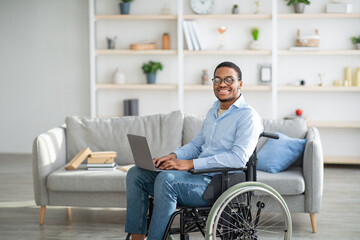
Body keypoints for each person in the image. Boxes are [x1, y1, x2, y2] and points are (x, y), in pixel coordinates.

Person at [125, 61, 263, 240]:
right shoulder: (214, 111)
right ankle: (138, 237)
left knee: (167, 180)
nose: (222, 84)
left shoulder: (248, 116)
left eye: (229, 80)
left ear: (240, 84)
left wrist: (190, 163)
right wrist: (173, 156)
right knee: (136, 173)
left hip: (218, 184)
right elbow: (196, 145)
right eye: (218, 80)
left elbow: (238, 159)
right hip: (196, 176)